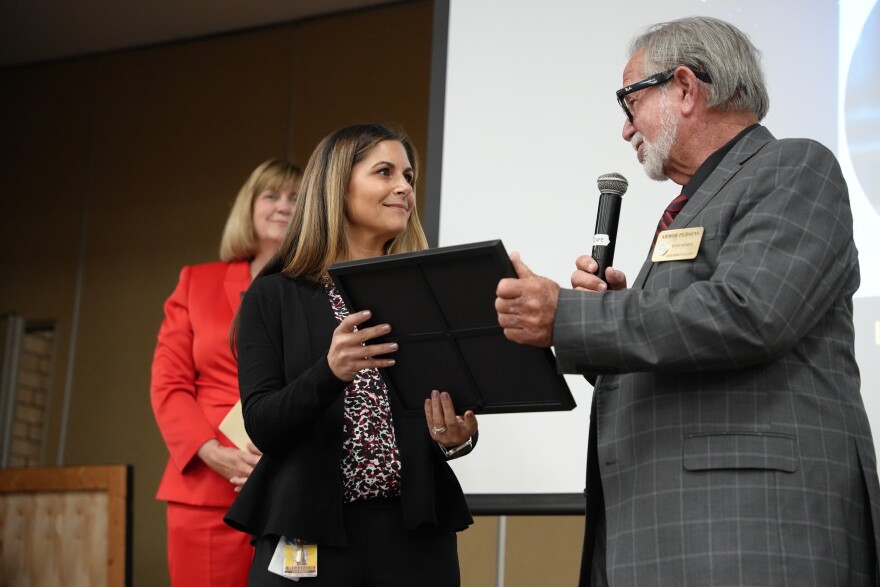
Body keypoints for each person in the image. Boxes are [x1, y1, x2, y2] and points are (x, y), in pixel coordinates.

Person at [495, 16, 880, 587]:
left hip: (749, 531)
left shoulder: (795, 167)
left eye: (629, 102)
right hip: (660, 531)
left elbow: (748, 315)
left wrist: (572, 316)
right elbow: (687, 345)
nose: (625, 130)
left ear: (684, 87)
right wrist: (607, 314)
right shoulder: (691, 206)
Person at [224, 123, 478, 587]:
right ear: (336, 186)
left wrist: (455, 437)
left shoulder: (424, 293)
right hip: (311, 532)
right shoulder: (274, 295)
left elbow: (446, 425)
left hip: (415, 536)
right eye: (384, 172)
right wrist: (331, 371)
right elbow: (262, 423)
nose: (403, 187)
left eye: (408, 176)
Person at [151, 158, 303, 587]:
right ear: (248, 207)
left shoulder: (319, 290)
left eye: (296, 198)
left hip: (290, 489)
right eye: (270, 195)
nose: (283, 206)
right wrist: (210, 451)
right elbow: (169, 384)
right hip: (207, 490)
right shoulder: (196, 282)